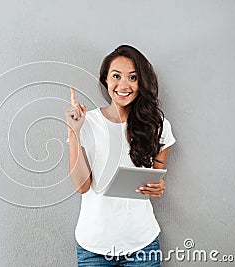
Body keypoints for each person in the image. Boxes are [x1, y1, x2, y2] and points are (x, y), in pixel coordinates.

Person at [65, 44, 176, 266]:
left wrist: (158, 187)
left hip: (142, 244)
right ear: (105, 80)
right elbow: (81, 186)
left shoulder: (158, 126)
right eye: (116, 76)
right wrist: (74, 131)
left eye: (133, 78)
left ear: (141, 83)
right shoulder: (86, 123)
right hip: (93, 247)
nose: (123, 85)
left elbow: (156, 177)